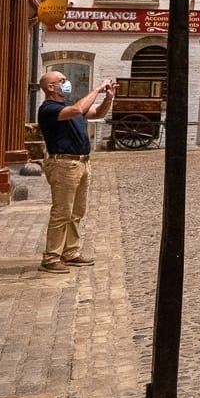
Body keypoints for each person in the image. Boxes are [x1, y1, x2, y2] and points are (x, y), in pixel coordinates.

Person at [36, 70, 114, 273]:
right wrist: (97, 89)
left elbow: (97, 114)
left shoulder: (67, 108)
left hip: (81, 163)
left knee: (77, 211)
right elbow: (79, 109)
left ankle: (70, 252)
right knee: (62, 212)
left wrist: (108, 98)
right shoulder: (49, 109)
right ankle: (51, 257)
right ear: (51, 87)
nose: (66, 83)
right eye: (61, 81)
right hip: (63, 164)